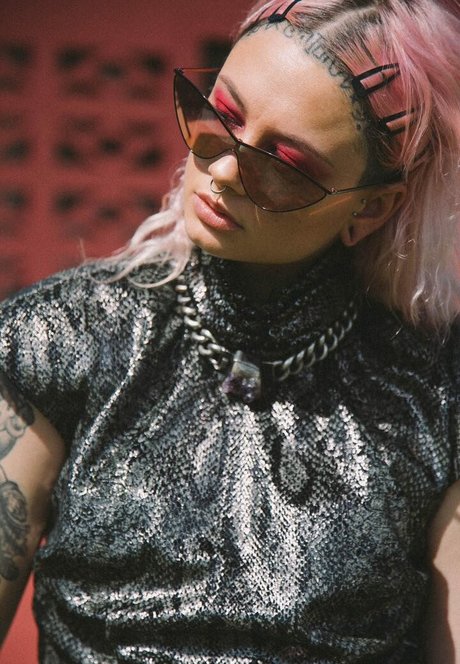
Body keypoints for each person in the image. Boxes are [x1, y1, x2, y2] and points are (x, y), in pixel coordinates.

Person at [0, 0, 459, 660]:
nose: (221, 171)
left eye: (284, 165)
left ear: (371, 208)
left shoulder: (434, 389)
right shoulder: (62, 338)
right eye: (220, 116)